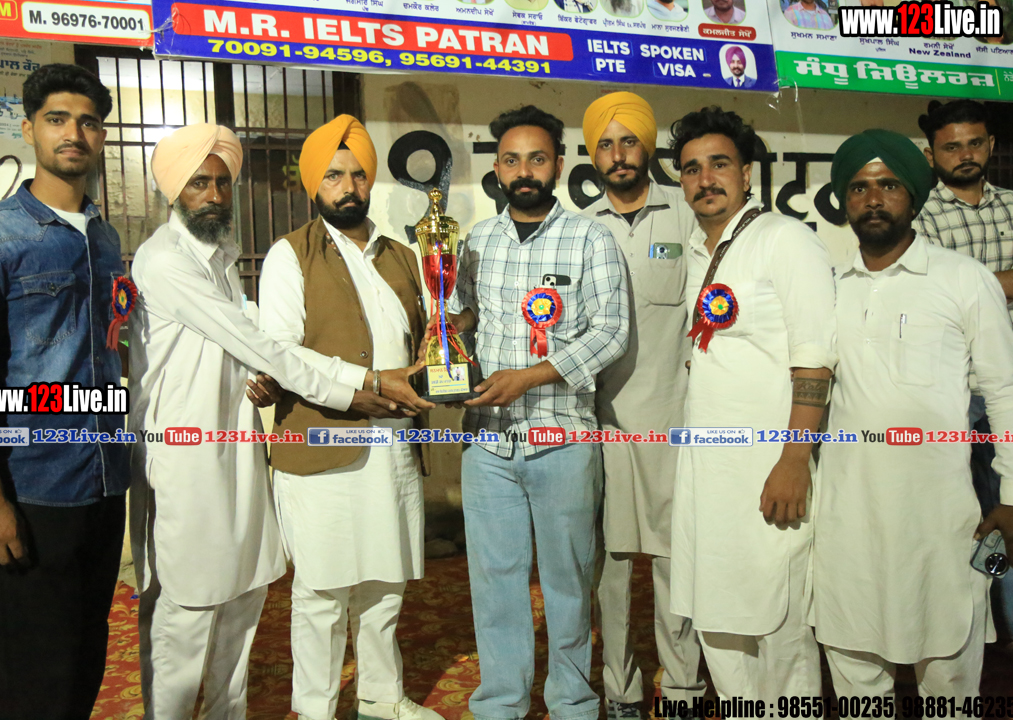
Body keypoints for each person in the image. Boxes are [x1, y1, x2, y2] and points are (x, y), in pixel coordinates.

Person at [128, 123, 373, 719]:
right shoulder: (163, 261)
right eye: (198, 184)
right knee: (187, 611)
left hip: (238, 443)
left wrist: (256, 375)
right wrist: (356, 388)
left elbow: (241, 343)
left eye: (221, 183)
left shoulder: (220, 256)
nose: (213, 195)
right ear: (173, 192)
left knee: (244, 595)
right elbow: (256, 341)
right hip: (185, 456)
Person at [0, 63, 127, 720]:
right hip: (33, 489)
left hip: (105, 483)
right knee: (34, 679)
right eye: (57, 119)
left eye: (88, 122)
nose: (73, 133)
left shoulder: (104, 237)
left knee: (85, 658)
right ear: (29, 130)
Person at [817, 128, 1013, 699]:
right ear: (844, 201)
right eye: (858, 187)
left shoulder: (964, 279)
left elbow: (1006, 390)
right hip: (848, 516)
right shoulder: (829, 289)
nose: (873, 199)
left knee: (949, 671)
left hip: (940, 517)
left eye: (888, 185)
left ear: (913, 195)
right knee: (854, 665)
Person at [440, 105, 628, 720]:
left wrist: (529, 377)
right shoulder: (476, 240)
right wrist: (446, 335)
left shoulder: (590, 238)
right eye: (512, 160)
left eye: (537, 159)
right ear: (497, 169)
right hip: (487, 446)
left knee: (569, 583)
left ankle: (572, 702)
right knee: (494, 583)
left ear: (559, 166)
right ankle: (501, 702)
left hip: (563, 438)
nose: (524, 171)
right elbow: (464, 316)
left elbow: (611, 332)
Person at [257, 115, 442, 720]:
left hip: (393, 442)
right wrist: (364, 384)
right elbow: (280, 352)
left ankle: (381, 698)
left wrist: (442, 354)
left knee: (387, 583)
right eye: (334, 175)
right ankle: (315, 709)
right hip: (321, 442)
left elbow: (428, 337)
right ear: (314, 183)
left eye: (358, 174)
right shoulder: (290, 255)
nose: (348, 186)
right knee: (322, 590)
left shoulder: (403, 256)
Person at [668, 106, 835, 700]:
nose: (705, 179)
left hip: (771, 473)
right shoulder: (698, 249)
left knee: (778, 630)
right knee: (717, 624)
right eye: (692, 168)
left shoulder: (785, 240)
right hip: (708, 479)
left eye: (719, 164)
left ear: (745, 174)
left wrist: (794, 459)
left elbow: (815, 361)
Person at [580, 93, 704, 720]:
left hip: (676, 420)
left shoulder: (689, 214)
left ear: (648, 147)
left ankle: (682, 688)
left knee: (676, 558)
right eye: (605, 144)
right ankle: (621, 690)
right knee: (610, 567)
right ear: (592, 154)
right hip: (600, 423)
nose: (618, 154)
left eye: (629, 141)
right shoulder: (579, 227)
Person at [917, 99, 1013, 646]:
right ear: (931, 153)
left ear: (991, 145)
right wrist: (1005, 280)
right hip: (959, 392)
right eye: (952, 146)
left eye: (975, 143)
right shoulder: (919, 215)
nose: (965, 154)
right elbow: (930, 292)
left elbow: (952, 287)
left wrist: (967, 282)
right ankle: (987, 621)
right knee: (977, 513)